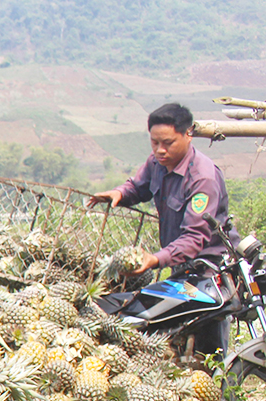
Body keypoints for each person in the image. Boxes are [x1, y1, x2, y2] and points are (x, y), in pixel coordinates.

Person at [88, 102, 237, 354]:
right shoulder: (157, 162)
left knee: (208, 347)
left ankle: (223, 390)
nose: (160, 150)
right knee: (169, 333)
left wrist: (155, 259)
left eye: (167, 142)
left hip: (208, 273)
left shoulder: (203, 178)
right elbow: (139, 187)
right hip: (181, 268)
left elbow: (194, 239)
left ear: (188, 134)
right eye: (154, 142)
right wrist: (119, 193)